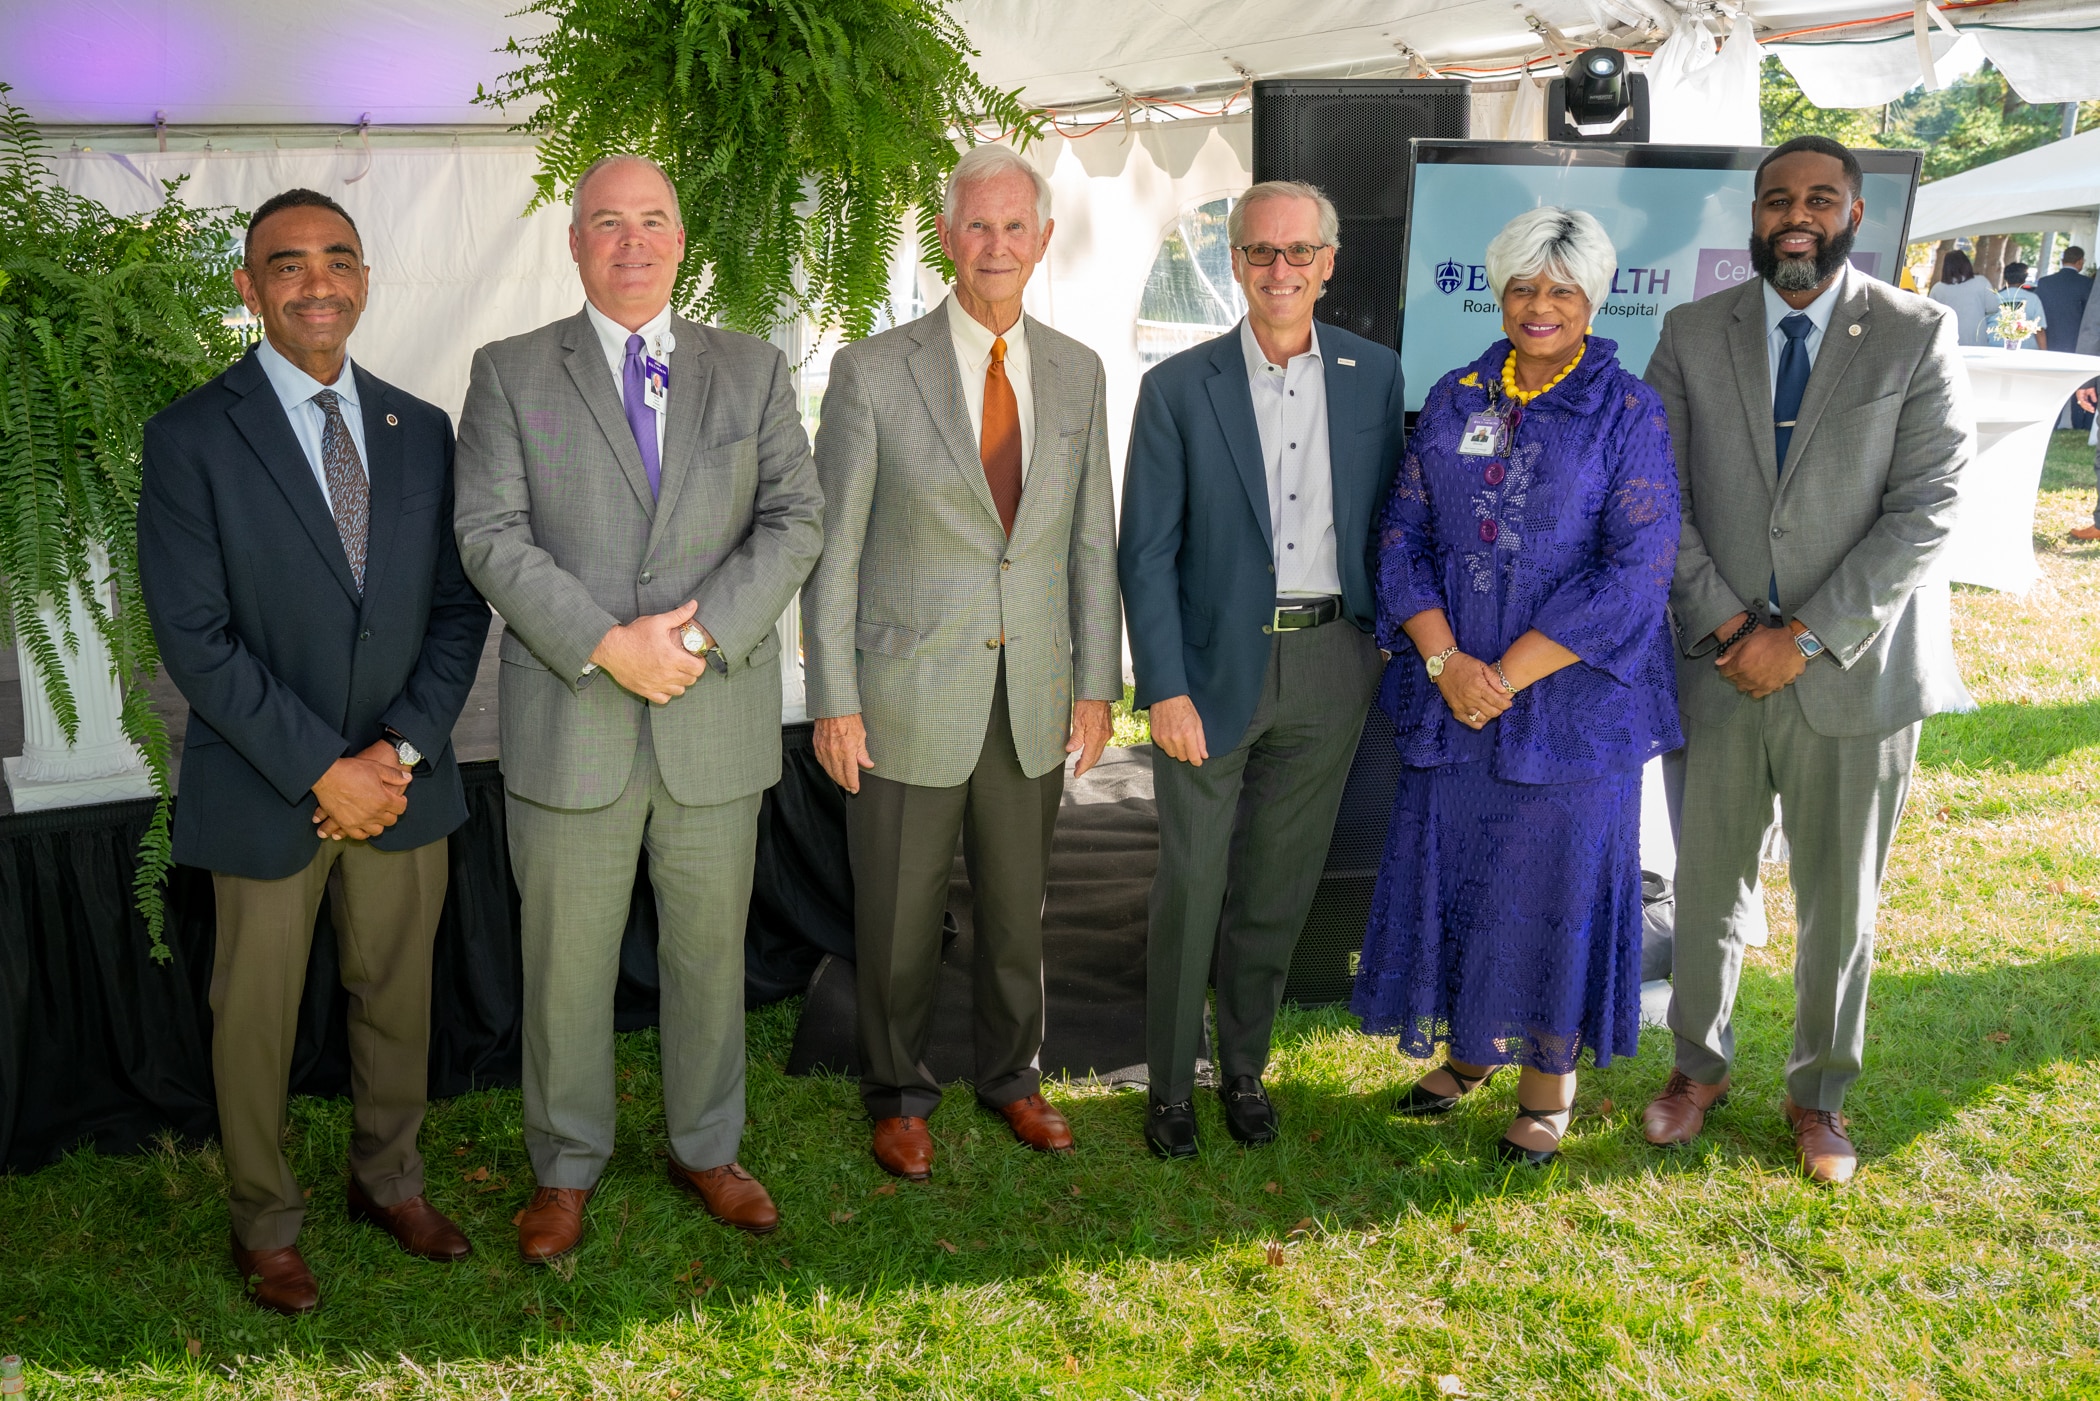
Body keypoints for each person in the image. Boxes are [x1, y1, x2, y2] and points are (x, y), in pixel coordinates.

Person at [454, 155, 824, 1259]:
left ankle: (708, 1148)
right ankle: (565, 1168)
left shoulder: (752, 369)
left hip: (714, 720)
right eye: (607, 224)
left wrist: (697, 638)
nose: (631, 243)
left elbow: (796, 519)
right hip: (573, 724)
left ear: (682, 238)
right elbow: (488, 534)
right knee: (564, 962)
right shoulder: (511, 370)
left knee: (710, 955)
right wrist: (609, 647)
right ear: (574, 243)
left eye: (652, 222)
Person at [138, 189, 491, 1313]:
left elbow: (455, 610)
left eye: (338, 259)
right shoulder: (192, 434)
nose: (317, 281)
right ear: (250, 289)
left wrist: (397, 753)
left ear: (367, 279)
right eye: (287, 266)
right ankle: (264, 1220)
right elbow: (193, 635)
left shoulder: (420, 428)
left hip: (401, 787)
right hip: (265, 789)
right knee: (255, 1020)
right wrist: (321, 768)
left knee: (397, 1001)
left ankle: (390, 1181)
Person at [1643, 134, 1971, 1185]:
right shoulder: (1693, 332)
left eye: (1819, 199)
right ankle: (1697, 1068)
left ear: (1853, 215)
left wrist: (1811, 635)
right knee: (1707, 888)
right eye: (1779, 198)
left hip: (1856, 676)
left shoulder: (1918, 333)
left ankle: (1819, 1096)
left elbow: (1929, 508)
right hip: (1720, 663)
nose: (1797, 215)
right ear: (1753, 213)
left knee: (1842, 900)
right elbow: (1658, 499)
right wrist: (1736, 630)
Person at [803, 144, 1120, 1182]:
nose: (995, 246)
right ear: (946, 237)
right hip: (903, 696)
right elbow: (833, 550)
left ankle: (1012, 1077)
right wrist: (834, 701)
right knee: (895, 915)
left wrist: (1094, 685)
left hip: (1030, 691)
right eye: (975, 226)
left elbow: (1088, 542)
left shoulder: (1078, 371)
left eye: (1014, 227)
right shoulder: (872, 371)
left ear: (1043, 240)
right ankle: (897, 1092)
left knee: (1020, 908)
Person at [1353, 207, 1681, 1167]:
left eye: (1563, 290)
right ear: (1499, 292)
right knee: (1461, 870)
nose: (1542, 307)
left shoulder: (1628, 412)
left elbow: (1636, 570)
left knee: (1551, 885)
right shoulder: (1456, 399)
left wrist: (1502, 674)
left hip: (1573, 712)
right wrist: (1445, 659)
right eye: (1525, 288)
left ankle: (1548, 1082)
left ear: (1596, 299)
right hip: (1452, 696)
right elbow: (1401, 538)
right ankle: (1469, 1050)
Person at [1119, 180, 1405, 1160]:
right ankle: (1167, 1086)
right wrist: (1162, 686)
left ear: (1329, 262)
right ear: (1234, 264)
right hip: (1208, 668)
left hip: (1331, 662)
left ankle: (1242, 1069)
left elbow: (1389, 523)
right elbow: (1144, 553)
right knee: (1193, 883)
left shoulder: (1377, 374)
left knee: (1279, 887)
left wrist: (1377, 646)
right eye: (1259, 252)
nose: (1279, 270)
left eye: (1299, 252)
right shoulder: (1176, 387)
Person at [1927, 250, 2002, 346]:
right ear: (1967, 264)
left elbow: (1931, 315)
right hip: (1975, 336)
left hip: (1947, 337)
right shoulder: (1981, 282)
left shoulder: (1937, 288)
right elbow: (1993, 307)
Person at [2033, 246, 2091, 353]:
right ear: (2080, 261)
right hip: (2075, 340)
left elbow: (2037, 310)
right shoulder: (2087, 283)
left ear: (2062, 261)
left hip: (2047, 338)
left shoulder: (2045, 282)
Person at [1985, 262, 2047, 349]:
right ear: (2024, 279)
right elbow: (2039, 329)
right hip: (2026, 350)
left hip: (1995, 347)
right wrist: (2044, 353)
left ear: (2005, 278)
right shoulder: (2033, 299)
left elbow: (1984, 324)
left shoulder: (1994, 298)